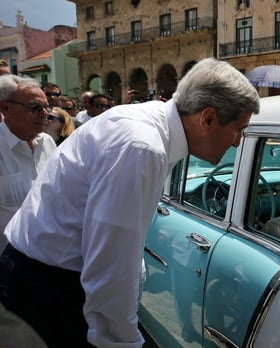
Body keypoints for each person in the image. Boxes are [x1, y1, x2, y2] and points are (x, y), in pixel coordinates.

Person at [0, 57, 260, 347]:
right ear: (208, 118)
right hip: (45, 287)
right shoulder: (141, 146)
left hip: (47, 277)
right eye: (238, 129)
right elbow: (110, 266)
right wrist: (120, 342)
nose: (237, 142)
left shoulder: (153, 128)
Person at [0, 75, 56, 251]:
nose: (45, 113)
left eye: (46, 107)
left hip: (50, 256)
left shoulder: (47, 143)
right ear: (5, 107)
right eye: (35, 107)